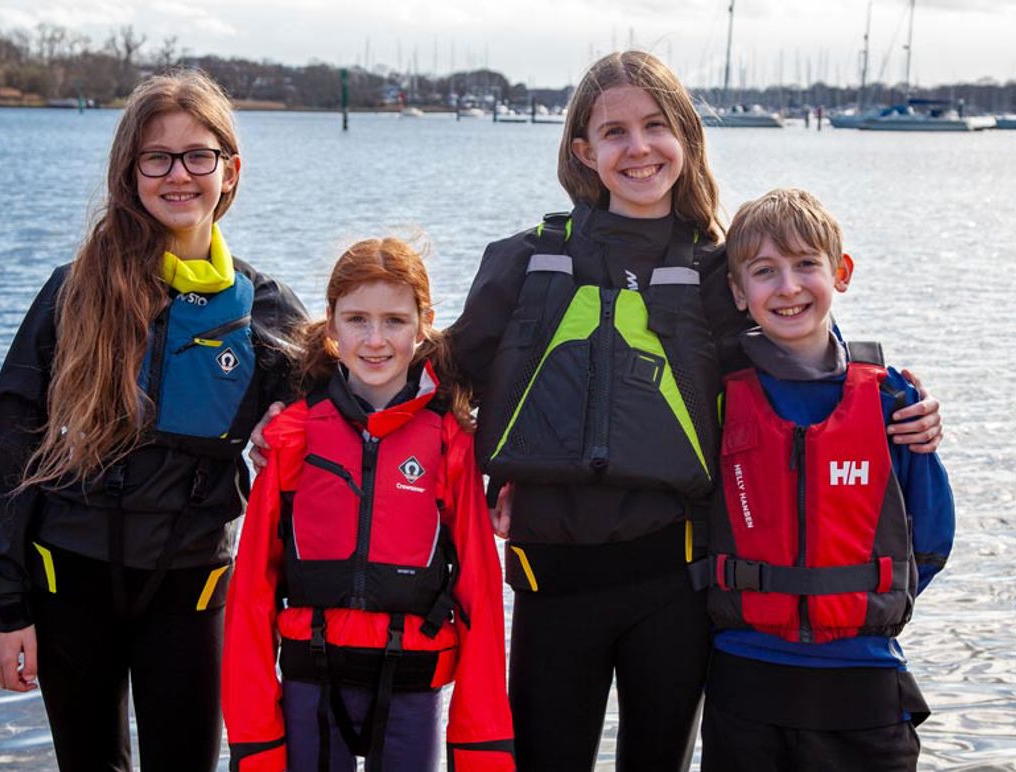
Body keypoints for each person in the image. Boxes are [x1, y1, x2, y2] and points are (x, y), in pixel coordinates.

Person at [447, 51, 944, 771]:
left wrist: (907, 403)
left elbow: (807, 365)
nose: (638, 147)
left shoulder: (719, 274)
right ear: (584, 151)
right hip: (552, 584)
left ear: (685, 136)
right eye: (614, 132)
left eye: (656, 125)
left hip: (675, 593)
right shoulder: (525, 262)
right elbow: (438, 378)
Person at [0, 70, 305, 771]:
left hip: (192, 582)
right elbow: (9, 436)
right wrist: (8, 606)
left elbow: (348, 407)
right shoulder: (75, 292)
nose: (178, 174)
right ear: (130, 174)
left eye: (198, 155)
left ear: (230, 169)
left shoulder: (267, 310)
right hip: (69, 578)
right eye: (156, 157)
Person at [222, 238, 515, 772]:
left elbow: (480, 596)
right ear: (330, 324)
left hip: (412, 691)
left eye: (395, 321)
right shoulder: (291, 436)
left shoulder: (450, 441)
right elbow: (250, 599)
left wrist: (482, 751)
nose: (375, 340)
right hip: (310, 686)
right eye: (357, 319)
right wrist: (254, 742)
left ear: (425, 323)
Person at [698, 187, 955, 770]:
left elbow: (932, 536)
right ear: (739, 292)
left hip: (865, 686)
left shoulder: (893, 400)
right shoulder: (717, 397)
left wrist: (865, 601)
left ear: (840, 273)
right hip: (746, 682)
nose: (788, 287)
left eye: (806, 264)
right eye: (764, 272)